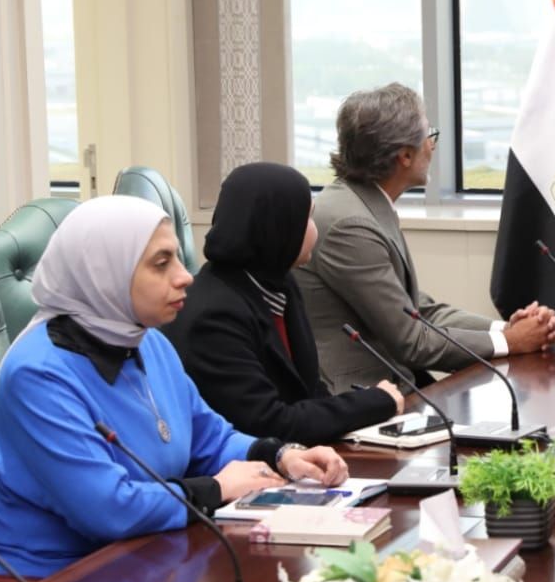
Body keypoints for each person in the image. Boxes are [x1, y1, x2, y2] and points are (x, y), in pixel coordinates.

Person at [0, 196, 348, 579]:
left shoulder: (149, 342)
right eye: (161, 263)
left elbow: (210, 439)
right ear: (106, 272)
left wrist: (281, 455)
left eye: (179, 259)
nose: (185, 277)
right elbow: (107, 509)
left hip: (146, 562)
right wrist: (215, 489)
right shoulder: (38, 374)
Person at [295, 84, 555, 390]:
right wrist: (511, 342)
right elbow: (412, 342)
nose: (432, 146)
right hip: (359, 396)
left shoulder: (364, 204)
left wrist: (508, 328)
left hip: (394, 385)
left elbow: (420, 311)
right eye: (428, 135)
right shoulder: (350, 225)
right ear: (405, 156)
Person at [164, 162, 406, 446]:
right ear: (279, 228)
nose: (316, 229)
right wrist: (373, 402)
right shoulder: (213, 316)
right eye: (309, 218)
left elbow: (310, 392)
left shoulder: (280, 285)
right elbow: (269, 423)